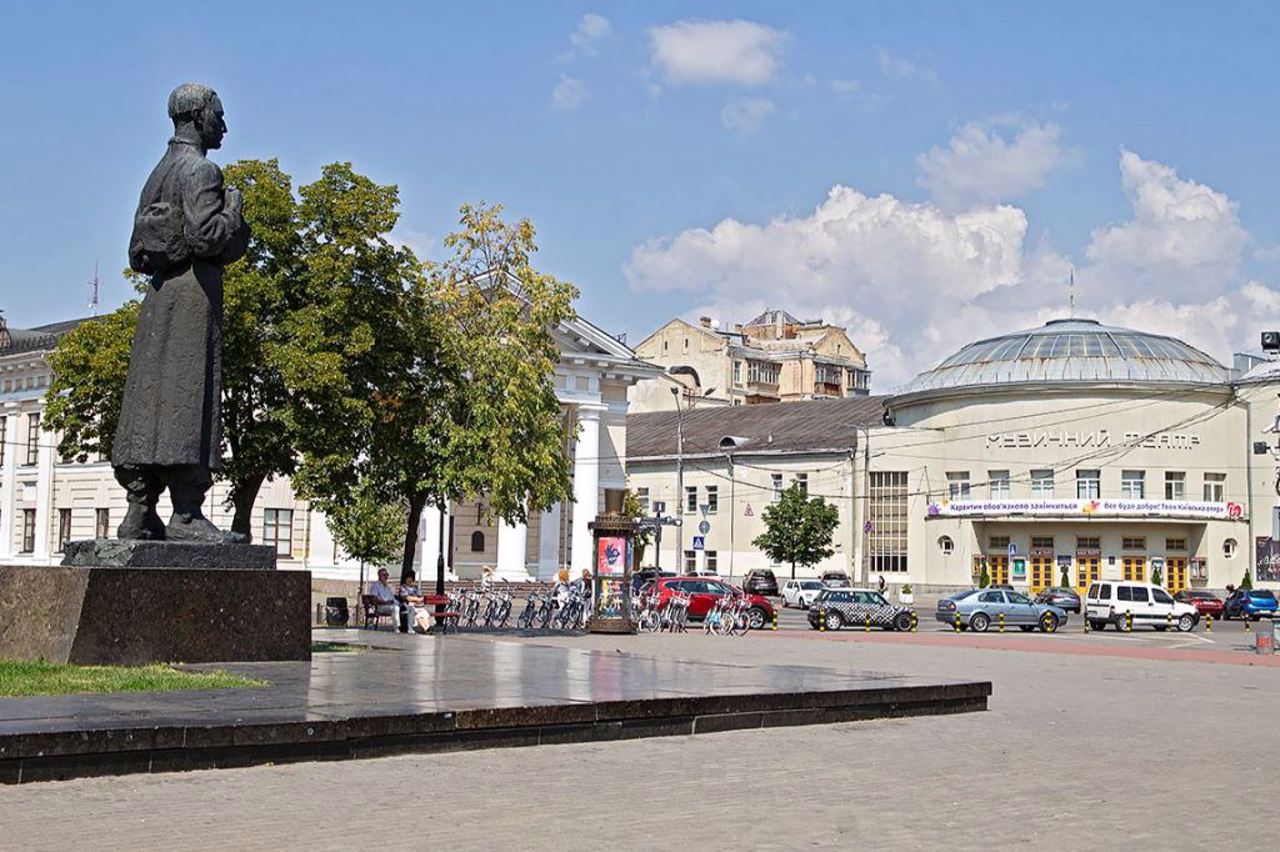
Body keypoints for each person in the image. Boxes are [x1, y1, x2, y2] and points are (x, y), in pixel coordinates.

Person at [114, 82, 251, 542]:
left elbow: (138, 249)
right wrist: (234, 213)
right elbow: (207, 238)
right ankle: (187, 513)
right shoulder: (202, 172)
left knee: (151, 399)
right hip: (193, 296)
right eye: (219, 116)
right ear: (197, 117)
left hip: (159, 298)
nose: (224, 126)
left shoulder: (158, 172)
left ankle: (140, 508)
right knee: (190, 397)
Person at [399, 570, 426, 634]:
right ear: (405, 579)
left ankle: (426, 628)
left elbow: (422, 597)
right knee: (412, 609)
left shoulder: (415, 588)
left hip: (417, 606)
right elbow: (406, 598)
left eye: (411, 578)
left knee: (424, 613)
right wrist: (417, 599)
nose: (409, 580)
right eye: (408, 578)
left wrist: (417, 599)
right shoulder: (403, 588)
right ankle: (411, 629)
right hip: (406, 606)